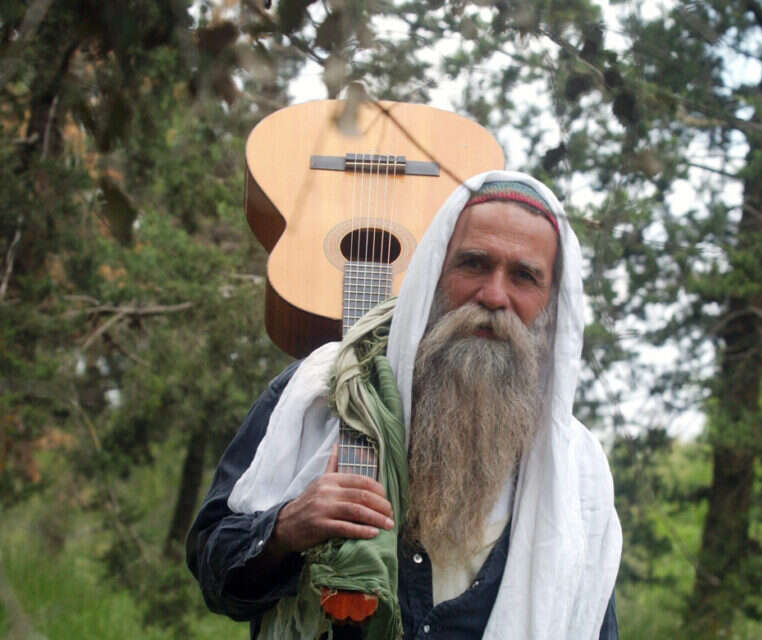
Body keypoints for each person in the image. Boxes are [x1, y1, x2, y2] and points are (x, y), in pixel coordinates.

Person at [187, 171, 622, 639]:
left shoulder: (577, 473)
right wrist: (286, 528)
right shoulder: (326, 392)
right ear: (434, 272)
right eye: (474, 264)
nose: (494, 295)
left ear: (551, 301)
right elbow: (214, 566)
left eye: (524, 276)